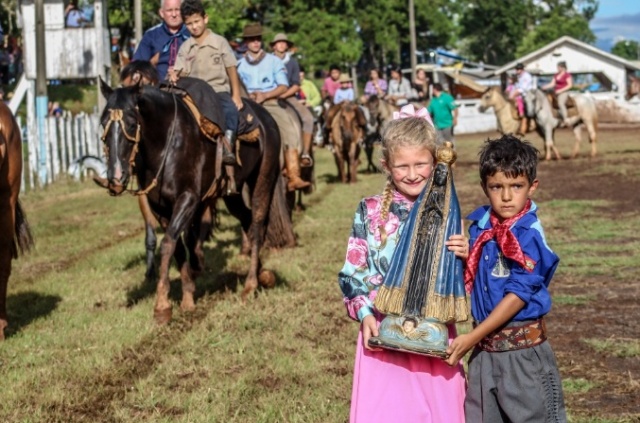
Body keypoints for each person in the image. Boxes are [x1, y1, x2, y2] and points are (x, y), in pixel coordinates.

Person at [338, 105, 466, 423]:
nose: (412, 174)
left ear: (436, 162)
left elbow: (462, 282)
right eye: (402, 166)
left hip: (435, 334)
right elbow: (353, 272)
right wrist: (365, 314)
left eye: (421, 164)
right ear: (386, 165)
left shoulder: (450, 212)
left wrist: (467, 254)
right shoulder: (368, 210)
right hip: (383, 333)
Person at [445, 135, 567, 422]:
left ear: (532, 186)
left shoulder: (529, 235)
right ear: (484, 187)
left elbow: (517, 295)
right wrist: (464, 259)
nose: (507, 196)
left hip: (523, 357)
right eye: (496, 187)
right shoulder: (478, 229)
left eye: (516, 186)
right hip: (484, 356)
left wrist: (471, 338)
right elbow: (474, 284)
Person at [236, 23, 310, 191]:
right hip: (245, 104)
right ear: (246, 42)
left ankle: (293, 175)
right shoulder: (238, 65)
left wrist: (265, 95)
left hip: (270, 103)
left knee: (290, 132)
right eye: (251, 39)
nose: (255, 42)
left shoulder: (274, 61)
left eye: (258, 39)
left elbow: (283, 86)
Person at [168, 0, 242, 166]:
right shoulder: (186, 47)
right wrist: (174, 74)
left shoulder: (219, 42)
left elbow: (231, 68)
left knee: (230, 111)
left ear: (205, 19)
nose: (194, 26)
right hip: (194, 93)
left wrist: (236, 95)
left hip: (217, 90)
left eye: (196, 21)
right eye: (189, 24)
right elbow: (180, 71)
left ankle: (228, 147)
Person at [271, 33, 314, 167]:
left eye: (284, 43)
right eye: (279, 42)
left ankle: (306, 153)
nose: (282, 45)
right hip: (269, 95)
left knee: (308, 119)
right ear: (274, 46)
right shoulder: (267, 60)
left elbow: (296, 84)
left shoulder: (293, 62)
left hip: (289, 96)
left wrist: (283, 95)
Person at [133, 0, 190, 81]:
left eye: (177, 10)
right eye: (169, 10)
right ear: (161, 13)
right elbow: (137, 66)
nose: (174, 14)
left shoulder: (192, 33)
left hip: (189, 87)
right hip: (157, 89)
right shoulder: (151, 35)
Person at [542, 61, 575, 127]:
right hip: (555, 92)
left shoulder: (567, 75)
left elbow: (570, 85)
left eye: (558, 67)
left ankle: (565, 119)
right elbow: (552, 83)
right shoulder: (556, 75)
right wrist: (545, 87)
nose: (557, 68)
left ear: (562, 67)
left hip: (564, 92)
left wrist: (560, 90)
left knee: (560, 103)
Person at [509, 62, 534, 134]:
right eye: (516, 69)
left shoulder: (527, 76)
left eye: (518, 69)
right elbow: (517, 86)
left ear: (522, 69)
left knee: (529, 106)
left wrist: (514, 94)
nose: (516, 71)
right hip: (520, 94)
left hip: (527, 93)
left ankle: (530, 116)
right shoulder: (519, 76)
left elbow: (523, 88)